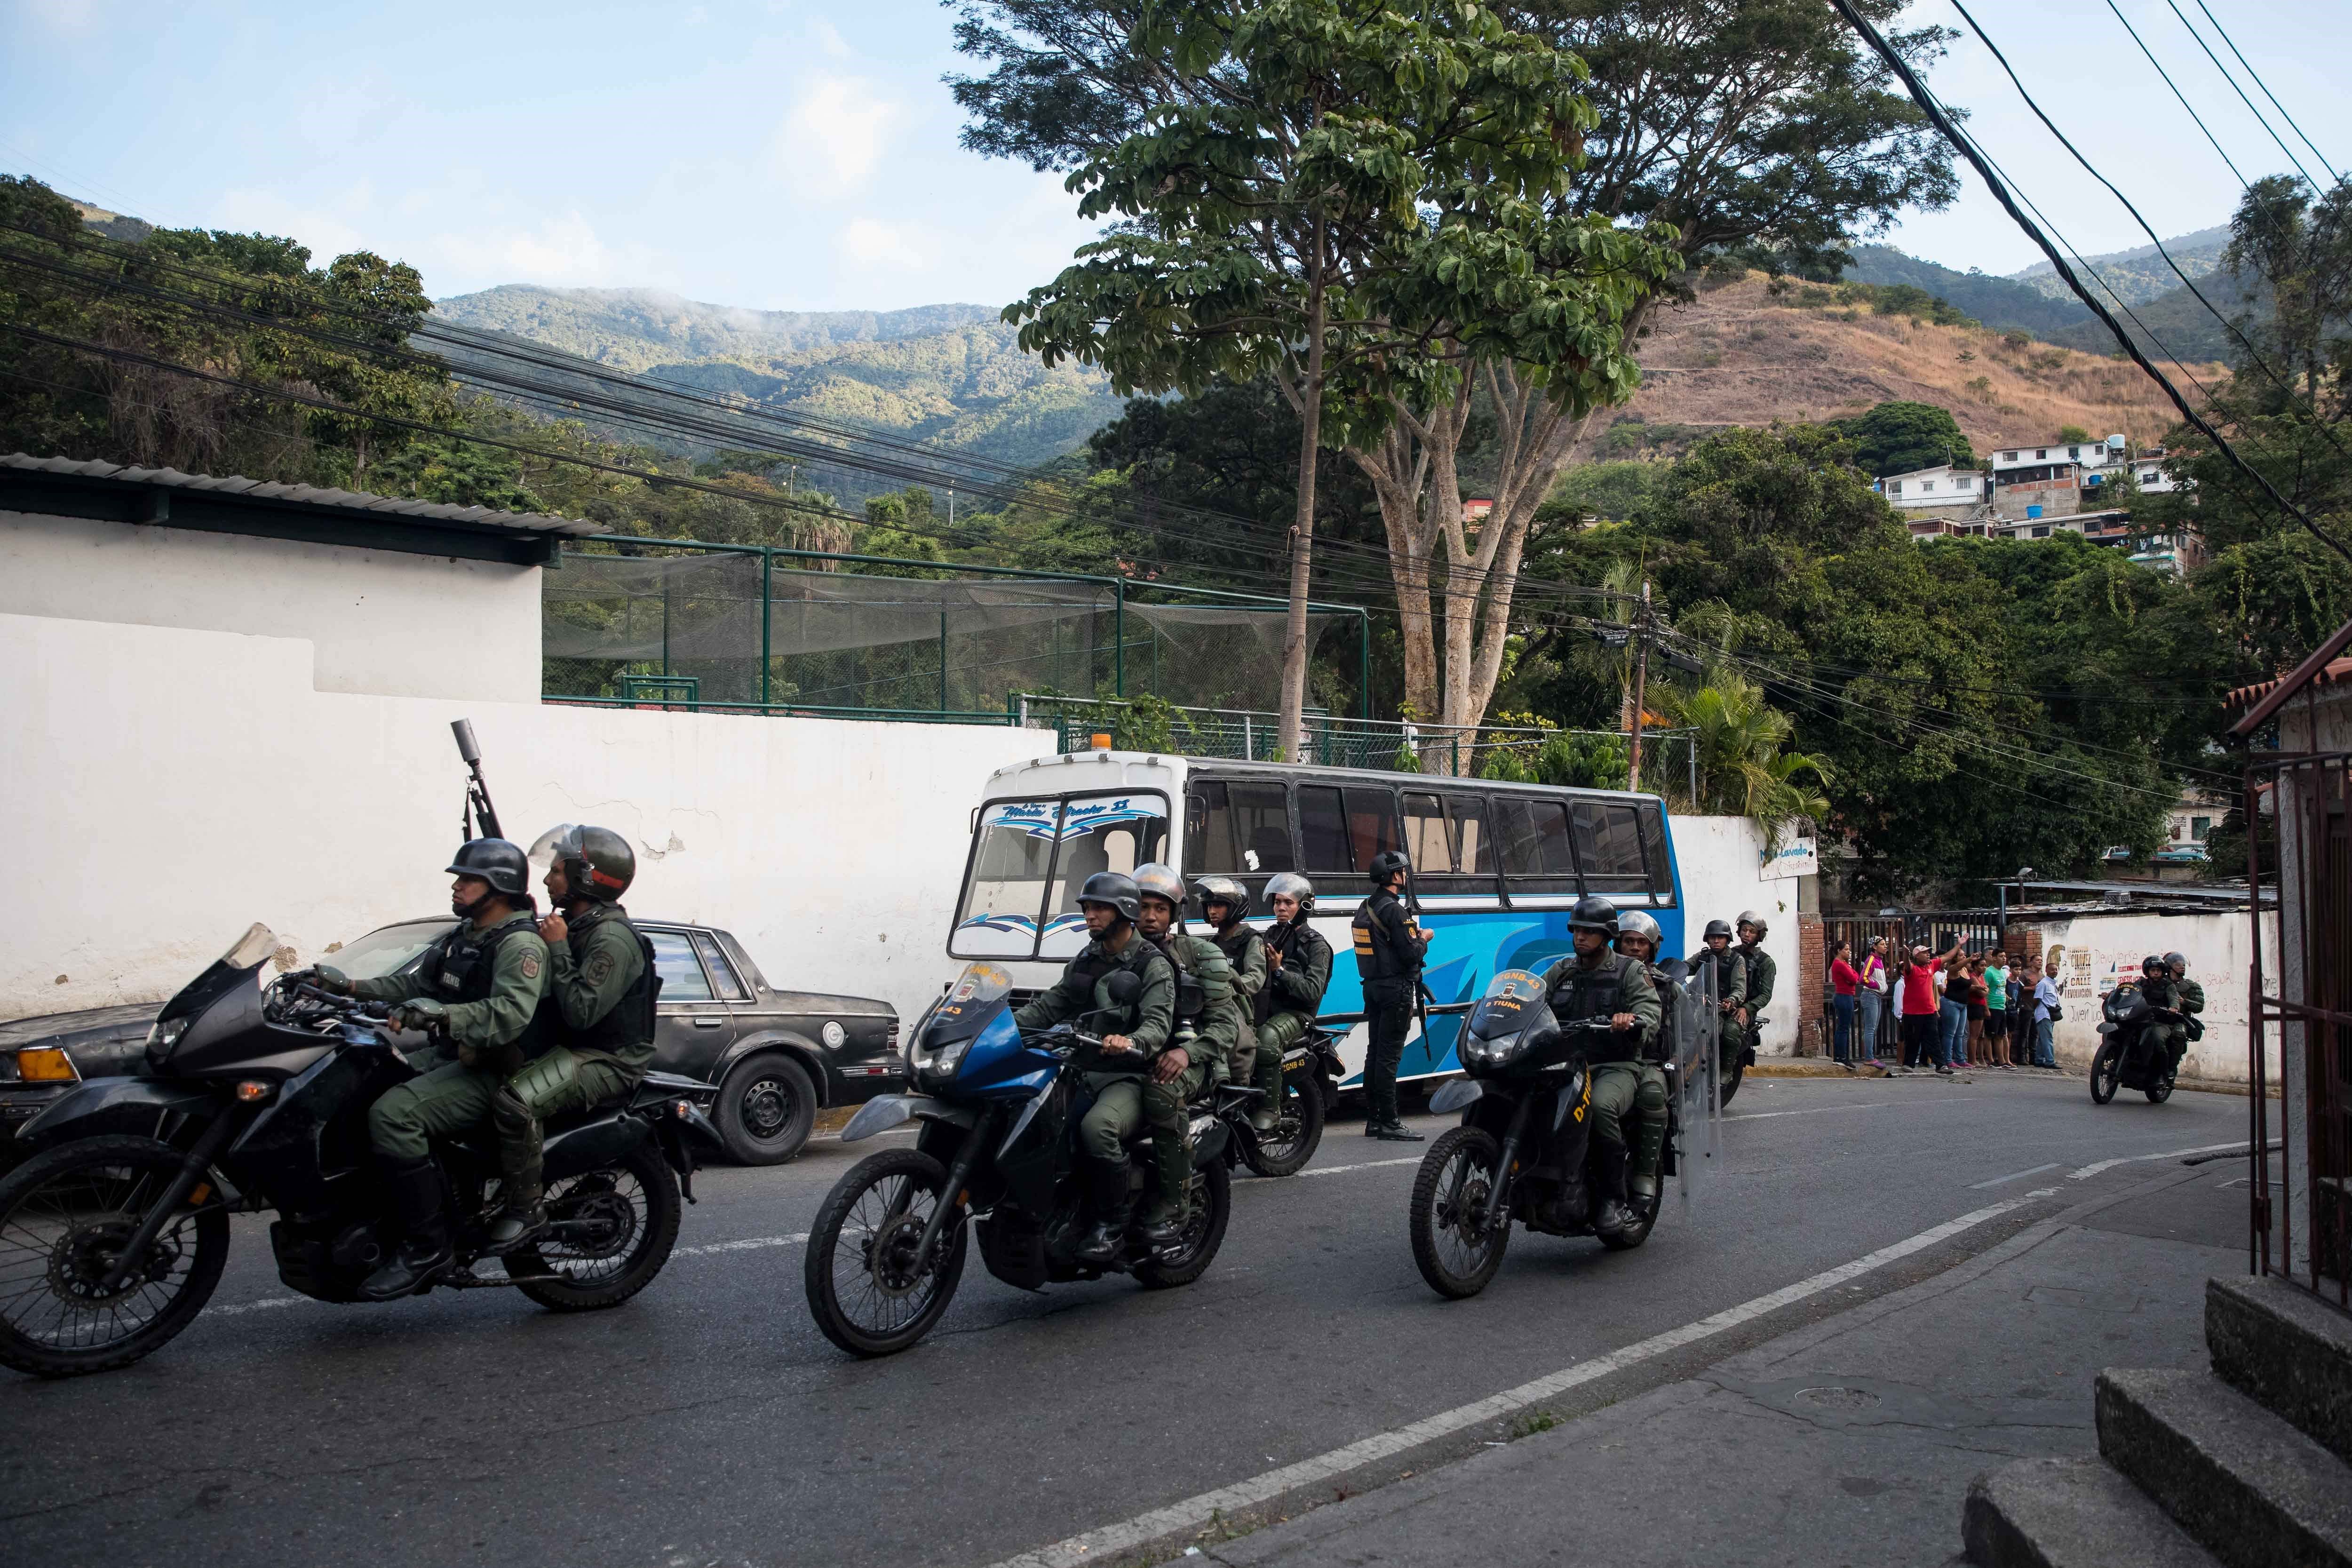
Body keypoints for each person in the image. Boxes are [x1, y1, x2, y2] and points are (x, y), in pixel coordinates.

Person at [313, 838, 549, 1300]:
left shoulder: (520, 944)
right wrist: (349, 984)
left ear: (498, 887)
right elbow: (416, 983)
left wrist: (441, 1015)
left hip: (498, 1070)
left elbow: (510, 1014)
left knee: (394, 1115)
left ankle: (427, 1249)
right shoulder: (465, 937)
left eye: (467, 880)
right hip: (454, 1056)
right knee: (358, 1086)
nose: (456, 887)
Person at [488, 823, 661, 1252]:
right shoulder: (576, 925)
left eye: (558, 872)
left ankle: (526, 1208)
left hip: (609, 1059)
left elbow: (583, 1012)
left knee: (515, 1101)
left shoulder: (611, 938)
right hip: (573, 1049)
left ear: (586, 877)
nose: (548, 879)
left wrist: (559, 948)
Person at [1013, 871, 1177, 1264]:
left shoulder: (1152, 965)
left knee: (1097, 1128)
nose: (1090, 915)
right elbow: (1049, 1005)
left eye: (1099, 907)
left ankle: (1112, 1221)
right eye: (1087, 908)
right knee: (1028, 1118)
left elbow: (1157, 1025)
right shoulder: (1087, 958)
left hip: (1130, 1075)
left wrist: (1130, 1041)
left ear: (1124, 911)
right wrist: (998, 1027)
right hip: (1079, 1069)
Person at [1131, 865, 1238, 1245]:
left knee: (1161, 1092)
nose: (1150, 916)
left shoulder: (1200, 954)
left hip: (1194, 1060)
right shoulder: (1118, 950)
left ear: (1175, 912)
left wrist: (1187, 1052)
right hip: (1132, 1056)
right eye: (1143, 906)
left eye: (1160, 908)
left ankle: (1175, 1202)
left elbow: (1226, 1028)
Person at [1541, 897, 1661, 1237]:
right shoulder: (1562, 970)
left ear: (1607, 935)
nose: (1580, 937)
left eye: (1589, 931)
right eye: (1577, 930)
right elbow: (1534, 997)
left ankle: (1613, 1198)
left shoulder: (1630, 971)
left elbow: (1650, 1013)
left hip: (1615, 1065)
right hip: (1565, 1065)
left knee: (1598, 1106)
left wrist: (1632, 1019)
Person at [1352, 850, 1428, 1142]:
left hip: (1372, 988)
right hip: (1395, 990)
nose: (1406, 876)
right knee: (1388, 1059)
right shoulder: (1395, 910)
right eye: (1404, 872)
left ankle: (1374, 1120)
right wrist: (1423, 938)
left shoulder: (1366, 906)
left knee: (1375, 1054)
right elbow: (1411, 953)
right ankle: (1390, 1122)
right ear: (1395, 876)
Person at [1255, 872, 1333, 1134]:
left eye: (1288, 903)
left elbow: (1312, 992)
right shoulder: (1271, 935)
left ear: (1304, 906)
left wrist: (1279, 971)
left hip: (1296, 1015)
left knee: (1266, 1039)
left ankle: (1271, 1109)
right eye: (1277, 902)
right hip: (1265, 1007)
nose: (1281, 908)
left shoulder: (1317, 945)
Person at [1610, 910, 1676, 1208]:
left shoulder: (1666, 986)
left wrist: (1678, 1063)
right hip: (1604, 1057)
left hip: (1651, 1062)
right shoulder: (1603, 975)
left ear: (1653, 947)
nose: (1635, 947)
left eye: (1641, 942)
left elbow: (1686, 1031)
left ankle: (1645, 1174)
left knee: (1651, 1095)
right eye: (1628, 941)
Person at [1193, 873, 1268, 1106]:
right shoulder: (1213, 944)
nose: (1212, 912)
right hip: (1215, 1008)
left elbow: (1255, 980)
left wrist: (1227, 981)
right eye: (1209, 906)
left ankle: (1238, 1094)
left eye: (1219, 905)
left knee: (1236, 1050)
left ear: (1235, 908)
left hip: (1241, 1013)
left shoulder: (1251, 941)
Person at [1696, 919, 1747, 1076]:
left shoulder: (1736, 960)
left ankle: (1726, 1070)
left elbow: (1740, 988)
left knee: (1729, 1032)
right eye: (1712, 937)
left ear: (1727, 939)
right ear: (1707, 939)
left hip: (1726, 1009)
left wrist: (1732, 1001)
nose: (1716, 941)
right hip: (1704, 1005)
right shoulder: (1702, 956)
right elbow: (1685, 966)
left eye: (1720, 937)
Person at [2134, 954, 2186, 1085]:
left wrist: (2174, 1007)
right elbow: (2126, 991)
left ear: (2163, 972)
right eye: (2153, 970)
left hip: (2161, 1022)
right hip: (2140, 1020)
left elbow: (2174, 998)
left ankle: (2164, 1072)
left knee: (2157, 1040)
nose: (2156, 973)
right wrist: (2111, 994)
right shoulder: (2140, 983)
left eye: (2158, 971)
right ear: (2148, 972)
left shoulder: (2168, 986)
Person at [1733, 911, 1776, 1062]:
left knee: (1731, 1034)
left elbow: (1765, 995)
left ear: (1759, 936)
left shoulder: (1766, 962)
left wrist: (1747, 1008)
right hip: (1726, 1004)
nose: (1747, 934)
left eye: (1752, 932)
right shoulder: (1731, 955)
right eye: (1744, 930)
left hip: (1746, 1010)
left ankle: (1726, 1070)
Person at [2167, 951, 2205, 1069]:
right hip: (2159, 1017)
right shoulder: (2159, 983)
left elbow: (2199, 1006)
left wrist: (2184, 1002)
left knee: (2179, 1033)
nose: (2182, 966)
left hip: (2180, 1019)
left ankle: (2171, 1069)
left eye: (2183, 964)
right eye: (2178, 964)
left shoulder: (2192, 986)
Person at [1828, 939, 1860, 1069]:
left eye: (1849, 950)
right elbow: (1854, 978)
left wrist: (1853, 973)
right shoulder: (1840, 964)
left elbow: (1855, 976)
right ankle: (1842, 1057)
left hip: (1845, 996)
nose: (1849, 952)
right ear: (1839, 951)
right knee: (1844, 1028)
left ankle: (1841, 1057)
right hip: (1844, 996)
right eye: (1846, 950)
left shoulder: (1843, 963)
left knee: (1843, 1027)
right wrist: (1853, 974)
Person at [1859, 937, 1890, 1063]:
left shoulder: (1880, 961)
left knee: (1873, 1028)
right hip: (1871, 995)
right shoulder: (1872, 960)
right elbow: (1863, 978)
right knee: (1870, 1029)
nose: (1885, 946)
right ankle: (1869, 1057)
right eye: (1882, 944)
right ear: (1875, 947)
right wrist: (1878, 986)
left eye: (1885, 944)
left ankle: (1870, 1056)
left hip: (1876, 996)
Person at [2031, 955, 2062, 1068]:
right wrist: (2034, 1011)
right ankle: (2050, 1061)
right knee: (2048, 1038)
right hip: (2044, 1014)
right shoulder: (2043, 984)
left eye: (2056, 970)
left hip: (2050, 1015)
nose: (2055, 972)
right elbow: (2037, 999)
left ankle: (2039, 1060)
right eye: (2052, 969)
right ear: (2047, 971)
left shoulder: (2052, 983)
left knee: (2043, 1038)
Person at [1983, 952, 2011, 1069]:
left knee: (2000, 1035)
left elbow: (2001, 988)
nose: (2004, 959)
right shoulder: (1989, 972)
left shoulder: (2002, 972)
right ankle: (1990, 1060)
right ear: (1995, 958)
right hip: (1992, 1006)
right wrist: (1986, 1008)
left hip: (2001, 1007)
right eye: (2001, 956)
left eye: (2005, 956)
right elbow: (1985, 991)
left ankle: (2002, 1060)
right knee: (1990, 1035)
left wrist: (2007, 997)